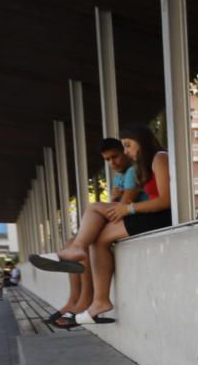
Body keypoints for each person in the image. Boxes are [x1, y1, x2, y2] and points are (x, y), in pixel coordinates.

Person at [30, 125, 172, 324]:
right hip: (150, 214)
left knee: (95, 207)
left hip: (161, 216)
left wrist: (129, 209)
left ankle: (78, 254)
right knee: (98, 239)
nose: (128, 152)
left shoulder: (160, 157)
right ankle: (99, 301)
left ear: (142, 139)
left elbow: (167, 200)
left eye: (128, 146)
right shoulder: (146, 164)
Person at [48, 138, 143, 328]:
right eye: (107, 160)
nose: (112, 163)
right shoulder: (119, 177)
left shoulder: (133, 171)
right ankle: (77, 300)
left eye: (115, 157)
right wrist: (116, 197)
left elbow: (119, 210)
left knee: (88, 234)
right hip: (124, 219)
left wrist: (118, 199)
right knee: (71, 243)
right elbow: (116, 206)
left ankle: (85, 301)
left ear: (125, 151)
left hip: (135, 219)